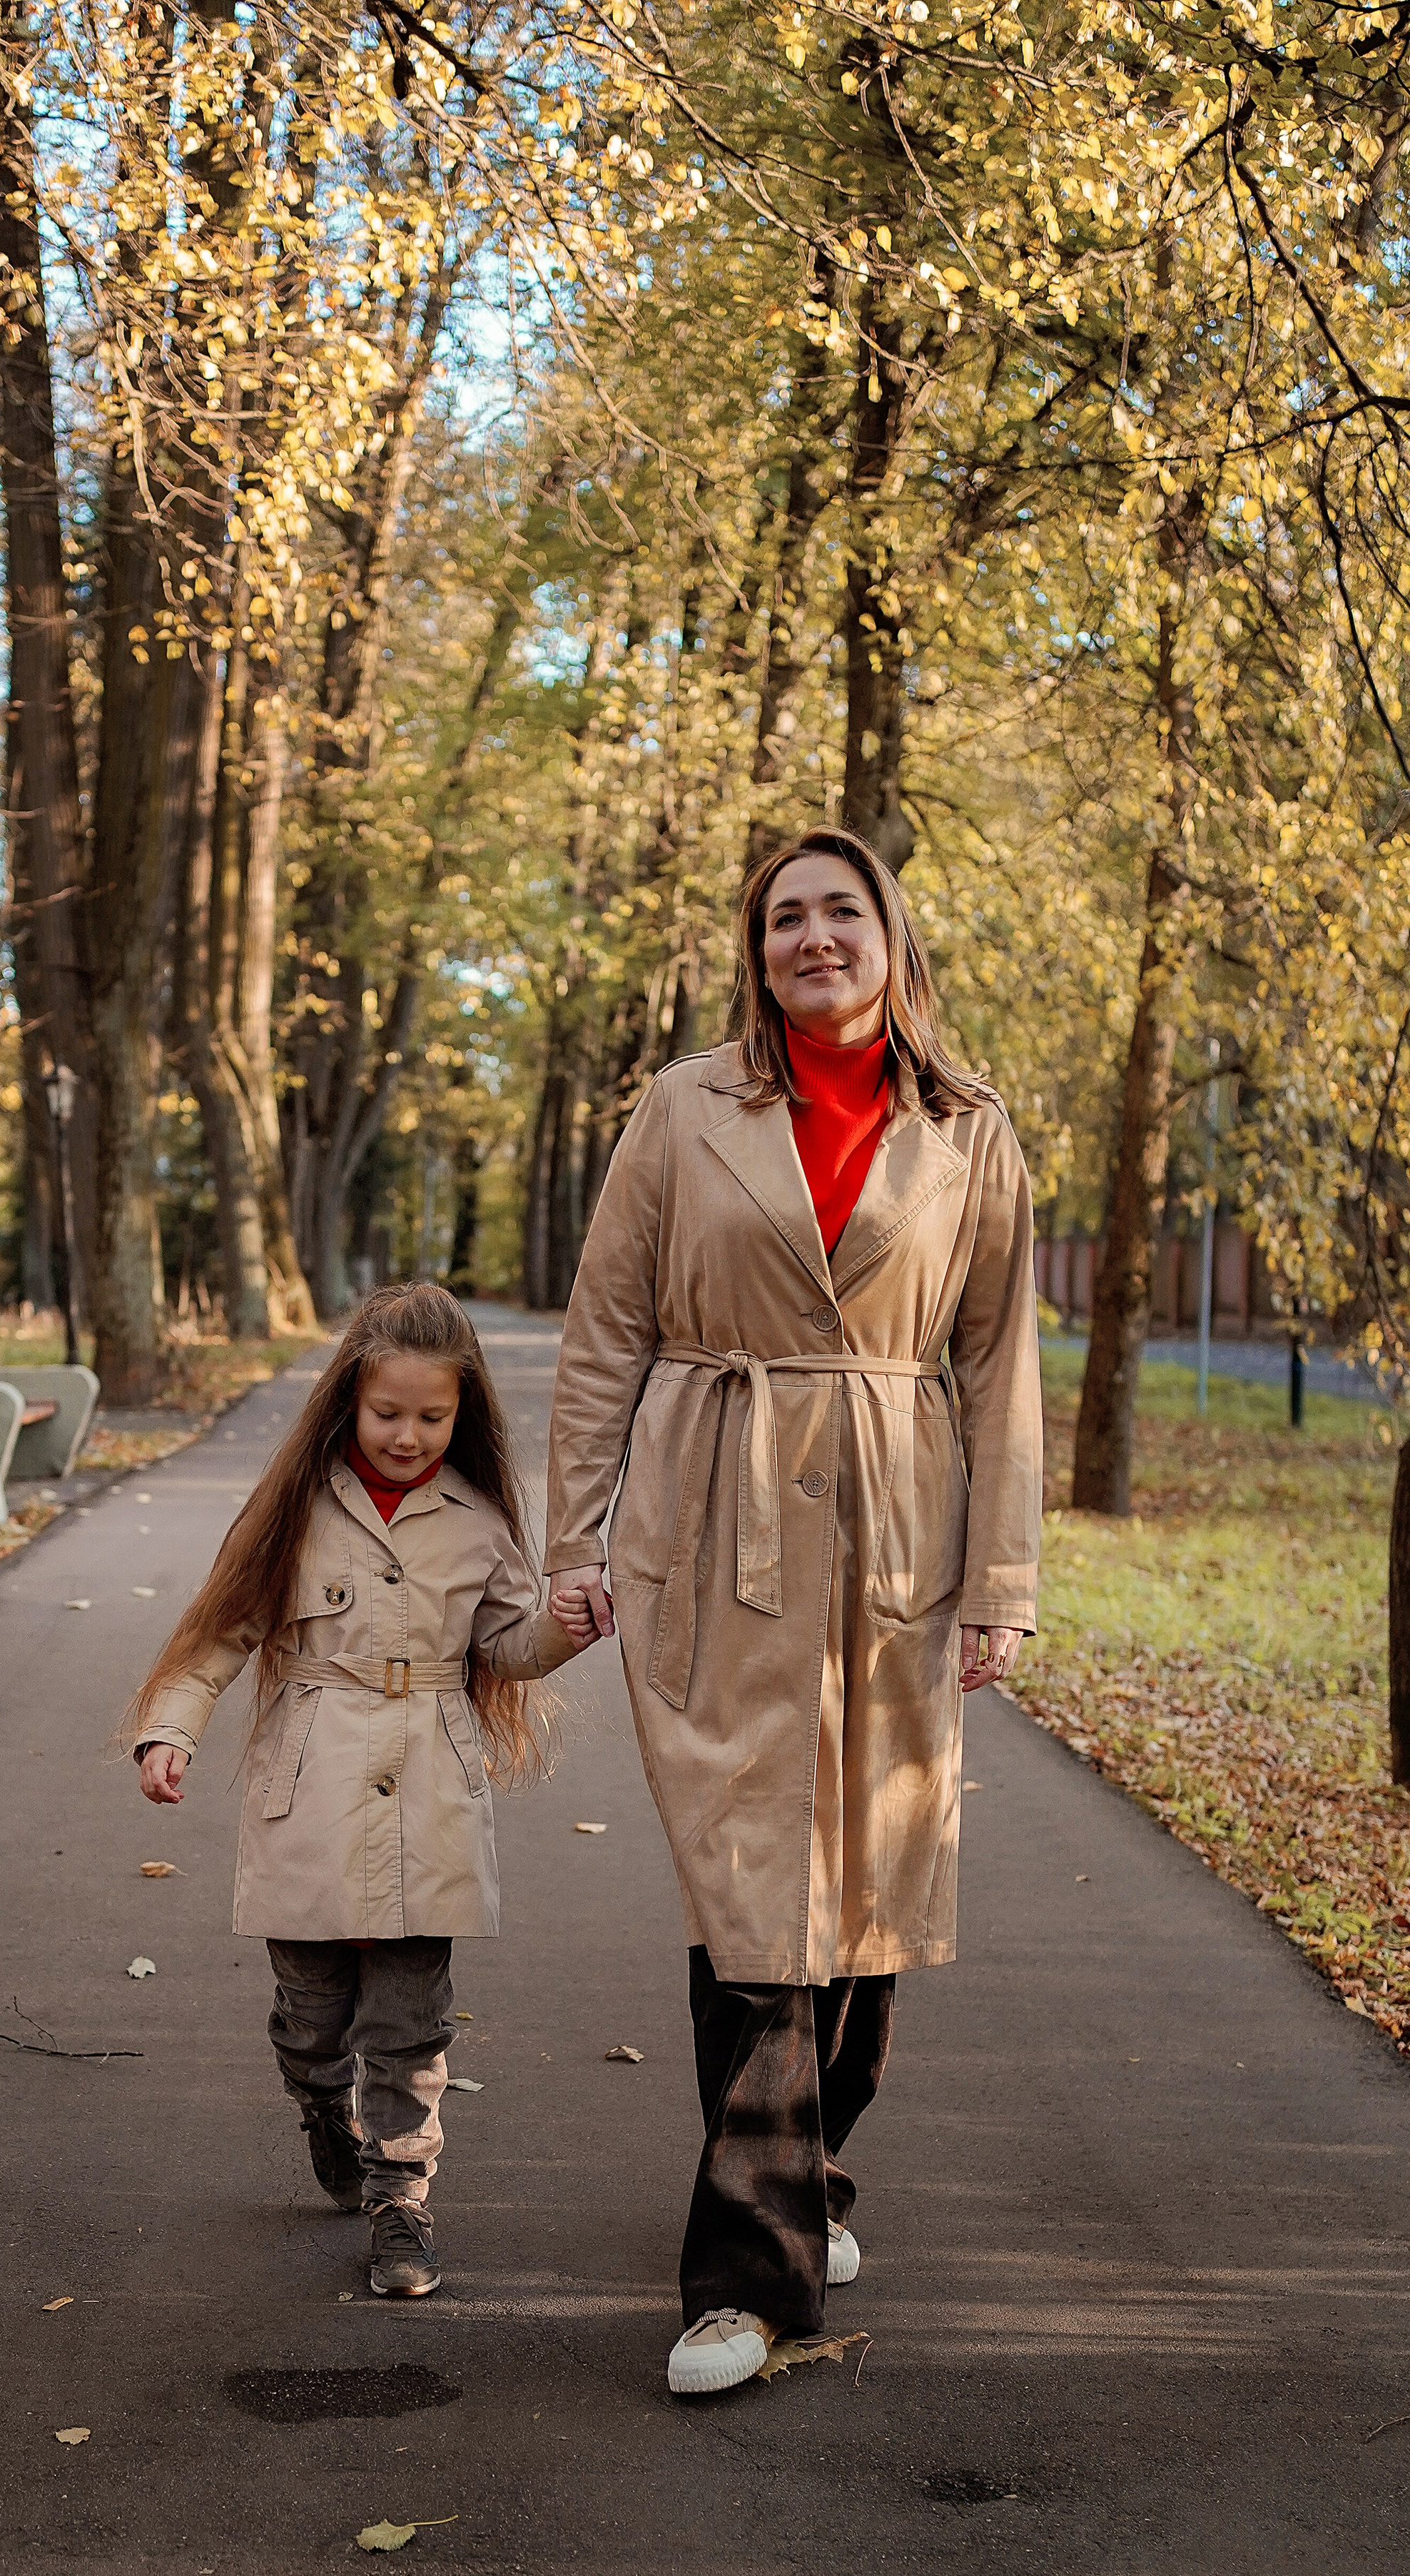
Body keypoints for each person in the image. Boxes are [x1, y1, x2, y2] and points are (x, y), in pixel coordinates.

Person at [540, 828, 1043, 2395]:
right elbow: (604, 1328)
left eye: (840, 911)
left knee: (866, 1891)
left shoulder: (968, 1131)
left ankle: (811, 2162)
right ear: (751, 950)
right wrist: (573, 1537)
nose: (810, 936)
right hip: (716, 1508)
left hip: (893, 1523)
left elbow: (996, 1370)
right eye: (781, 918)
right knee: (750, 1878)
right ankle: (740, 2289)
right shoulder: (683, 1108)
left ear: (890, 935)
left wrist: (1000, 1580)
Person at [126, 1281, 589, 2300]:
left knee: (412, 2023)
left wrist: (568, 1625)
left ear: (463, 1414)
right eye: (389, 1412)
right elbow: (219, 1636)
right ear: (348, 1401)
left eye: (434, 1416)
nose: (409, 1434)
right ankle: (319, 2106)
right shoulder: (295, 1508)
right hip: (312, 1792)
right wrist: (171, 1727)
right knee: (313, 2015)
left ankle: (400, 2201)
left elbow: (507, 1645)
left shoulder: (475, 1523)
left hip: (430, 1793)